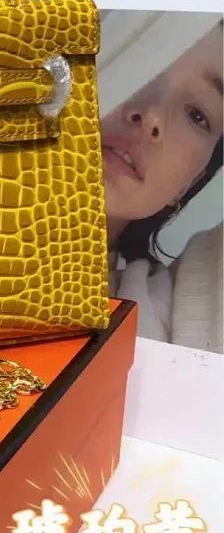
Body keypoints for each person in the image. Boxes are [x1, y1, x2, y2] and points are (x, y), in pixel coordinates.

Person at [101, 20, 223, 352]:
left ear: (191, 182)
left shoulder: (163, 324)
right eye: (140, 62)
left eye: (197, 115)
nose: (152, 115)